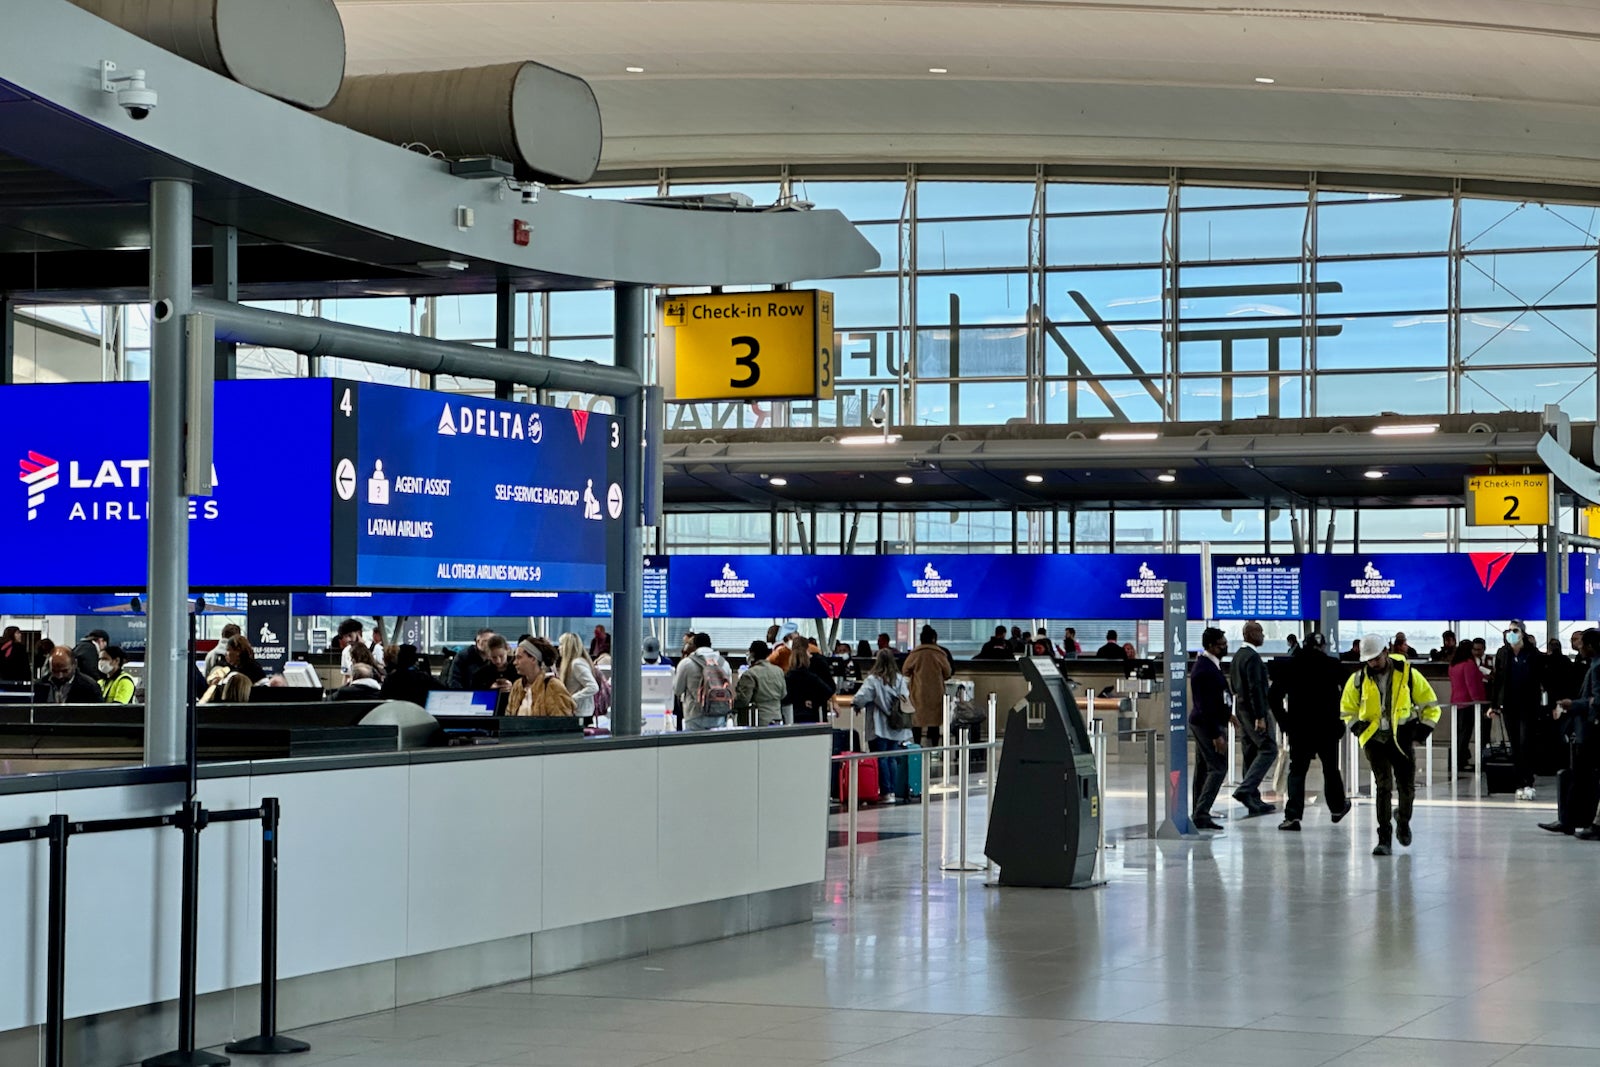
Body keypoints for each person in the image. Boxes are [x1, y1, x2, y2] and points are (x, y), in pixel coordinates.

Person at [1342, 633, 1440, 856]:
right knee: (1383, 786)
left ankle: (1403, 820)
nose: (1372, 663)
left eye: (1376, 658)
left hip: (1402, 738)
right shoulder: (1358, 680)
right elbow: (1347, 708)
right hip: (1374, 738)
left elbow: (1431, 706)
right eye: (1369, 659)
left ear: (1386, 652)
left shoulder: (1408, 675)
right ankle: (1384, 838)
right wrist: (1357, 727)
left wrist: (1422, 730)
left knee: (1406, 785)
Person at [1275, 632, 1350, 831]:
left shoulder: (1291, 665)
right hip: (1328, 728)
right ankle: (1337, 808)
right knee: (1331, 769)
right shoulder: (1334, 665)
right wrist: (1342, 718)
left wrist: (1285, 721)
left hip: (1300, 728)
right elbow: (1351, 693)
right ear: (1323, 646)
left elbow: (1273, 696)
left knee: (1297, 771)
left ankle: (1293, 817)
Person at [1545, 629, 1600, 836]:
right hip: (1589, 727)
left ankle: (1571, 821)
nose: (1579, 647)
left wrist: (1573, 704)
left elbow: (1596, 700)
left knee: (1581, 777)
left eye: (1582, 643)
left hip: (1590, 729)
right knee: (1580, 777)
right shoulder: (1592, 665)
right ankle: (1574, 820)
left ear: (1591, 646)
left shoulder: (1596, 667)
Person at [1228, 620, 1278, 816]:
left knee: (1250, 750)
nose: (1263, 635)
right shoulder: (1253, 658)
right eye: (1260, 632)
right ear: (1250, 635)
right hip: (1254, 710)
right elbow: (1255, 687)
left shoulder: (1238, 657)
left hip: (1241, 708)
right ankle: (1245, 789)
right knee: (1268, 749)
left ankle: (1253, 799)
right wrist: (1260, 716)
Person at [1492, 619, 1544, 800]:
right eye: (1509, 631)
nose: (1511, 634)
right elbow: (1498, 680)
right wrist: (1494, 705)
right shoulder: (1502, 653)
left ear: (1522, 633)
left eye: (1514, 630)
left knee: (1525, 743)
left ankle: (1528, 782)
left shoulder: (1533, 654)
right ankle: (1519, 783)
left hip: (1528, 705)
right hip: (1509, 705)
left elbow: (1540, 678)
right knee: (1515, 744)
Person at [854, 648, 915, 802]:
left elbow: (861, 697)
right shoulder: (900, 680)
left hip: (878, 725)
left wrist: (855, 704)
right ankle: (892, 791)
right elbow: (905, 699)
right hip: (896, 725)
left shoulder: (873, 680)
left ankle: (885, 791)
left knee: (880, 758)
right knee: (892, 758)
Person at [1188, 627, 1231, 832]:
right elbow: (1203, 705)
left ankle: (1199, 810)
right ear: (1212, 646)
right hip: (1207, 725)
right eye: (1222, 644)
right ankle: (1202, 812)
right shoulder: (1204, 669)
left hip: (1209, 721)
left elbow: (1217, 697)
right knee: (1218, 767)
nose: (1225, 646)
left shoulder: (1211, 665)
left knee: (1204, 768)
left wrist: (1228, 714)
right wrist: (1215, 734)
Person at [904, 625, 952, 750]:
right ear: (933, 639)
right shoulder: (940, 654)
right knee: (934, 722)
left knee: (917, 722)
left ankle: (916, 747)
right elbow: (948, 672)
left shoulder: (915, 653)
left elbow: (905, 670)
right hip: (936, 694)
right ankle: (934, 749)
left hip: (918, 692)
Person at [674, 633, 734, 731]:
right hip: (719, 715)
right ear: (710, 645)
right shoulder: (724, 664)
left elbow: (677, 690)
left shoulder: (686, 663)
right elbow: (728, 689)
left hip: (694, 716)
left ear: (694, 646)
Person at [507, 639, 575, 717]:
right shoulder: (517, 686)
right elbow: (509, 716)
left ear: (533, 658)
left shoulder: (553, 686)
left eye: (519, 657)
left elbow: (561, 723)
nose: (514, 662)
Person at [1448, 641, 1488, 773]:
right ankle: (1461, 761)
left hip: (1456, 702)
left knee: (1459, 733)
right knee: (1465, 734)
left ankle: (1457, 760)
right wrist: (1478, 702)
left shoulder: (1453, 665)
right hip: (1468, 703)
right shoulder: (1468, 664)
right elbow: (1471, 685)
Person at [733, 640, 787, 726]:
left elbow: (743, 700)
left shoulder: (750, 674)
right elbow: (783, 694)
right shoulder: (778, 671)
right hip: (777, 718)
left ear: (752, 654)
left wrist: (733, 704)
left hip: (758, 720)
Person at [775, 642, 831, 725]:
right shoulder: (812, 677)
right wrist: (815, 702)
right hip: (811, 714)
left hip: (792, 714)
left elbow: (783, 697)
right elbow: (828, 691)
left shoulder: (787, 677)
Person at [35, 646, 103, 704]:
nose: (60, 676)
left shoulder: (90, 687)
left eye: (65, 671)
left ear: (75, 664)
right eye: (54, 671)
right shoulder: (40, 685)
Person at [557, 633, 601, 718]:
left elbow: (593, 687)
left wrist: (572, 698)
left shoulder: (576, 664)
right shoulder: (573, 664)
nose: (559, 647)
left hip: (581, 713)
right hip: (577, 712)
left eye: (561, 644)